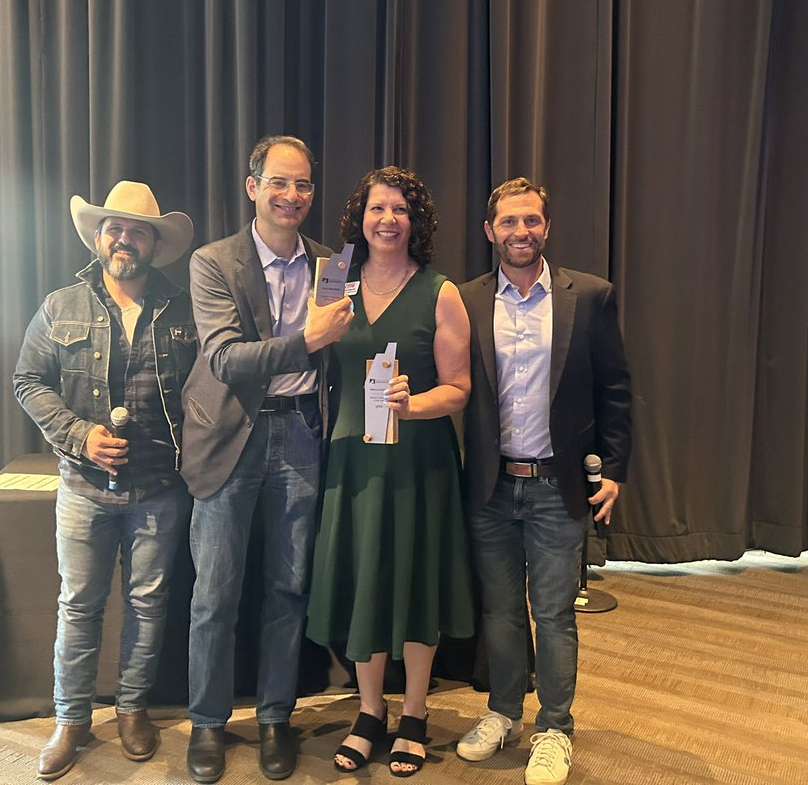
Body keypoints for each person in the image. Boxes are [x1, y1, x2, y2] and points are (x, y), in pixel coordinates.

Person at [180, 135, 354, 783]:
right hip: (229, 437)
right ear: (253, 187)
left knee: (288, 588)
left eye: (303, 185)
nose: (292, 196)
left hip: (303, 434)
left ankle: (276, 717)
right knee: (214, 594)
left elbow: (342, 349)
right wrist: (302, 340)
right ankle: (207, 723)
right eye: (279, 183)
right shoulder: (212, 262)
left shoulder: (332, 263)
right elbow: (226, 358)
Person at [13, 181, 198, 780]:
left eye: (138, 230)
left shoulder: (186, 308)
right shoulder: (59, 304)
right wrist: (79, 435)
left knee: (148, 605)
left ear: (154, 244)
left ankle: (133, 708)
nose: (125, 239)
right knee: (79, 605)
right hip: (83, 486)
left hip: (161, 489)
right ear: (99, 238)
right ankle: (71, 720)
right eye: (115, 228)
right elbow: (28, 381)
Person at [456, 177, 631, 784]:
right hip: (490, 486)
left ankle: (555, 727)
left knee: (553, 614)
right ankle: (504, 711)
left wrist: (615, 470)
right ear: (489, 230)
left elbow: (615, 390)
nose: (520, 232)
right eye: (508, 222)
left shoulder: (591, 296)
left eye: (531, 221)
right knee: (501, 611)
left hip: (559, 488)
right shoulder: (466, 298)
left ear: (546, 227)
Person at [306, 166, 475, 778]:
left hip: (417, 465)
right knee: (365, 582)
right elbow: (306, 356)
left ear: (416, 222)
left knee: (414, 580)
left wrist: (415, 403)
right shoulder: (333, 285)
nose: (388, 220)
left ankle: (415, 714)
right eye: (378, 209)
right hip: (352, 461)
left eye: (400, 210)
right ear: (361, 218)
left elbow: (459, 390)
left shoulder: (440, 291)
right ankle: (370, 712)